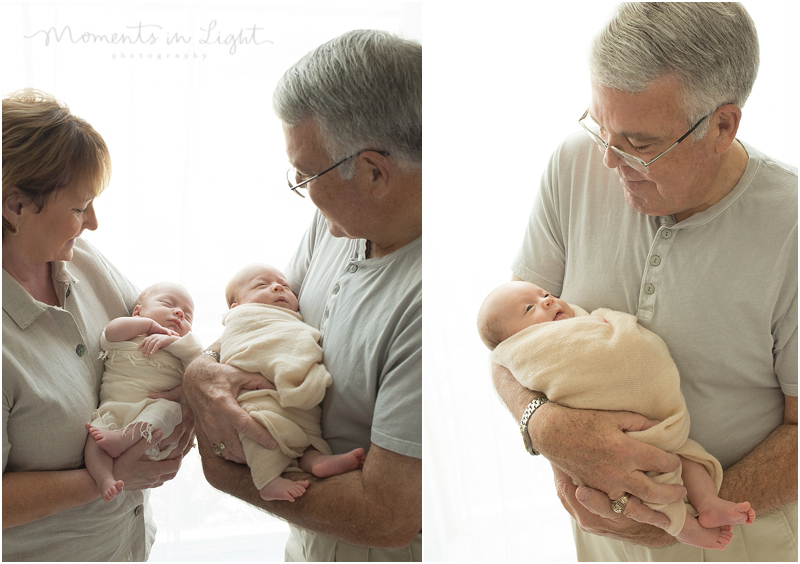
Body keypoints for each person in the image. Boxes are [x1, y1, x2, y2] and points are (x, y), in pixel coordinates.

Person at [491, 3, 797, 561]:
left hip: (735, 535)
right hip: (599, 533)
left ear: (722, 126)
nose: (608, 160)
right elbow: (512, 343)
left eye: (638, 143)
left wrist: (675, 514)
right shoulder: (573, 163)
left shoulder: (791, 228)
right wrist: (545, 427)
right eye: (599, 125)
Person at [183, 29, 422, 561]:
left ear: (374, 172)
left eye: (306, 174)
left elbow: (387, 516)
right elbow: (260, 320)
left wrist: (226, 473)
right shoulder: (339, 222)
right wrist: (201, 371)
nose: (303, 189)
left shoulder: (426, 302)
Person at [2, 89, 192, 560]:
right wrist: (104, 478)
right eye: (78, 207)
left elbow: (159, 336)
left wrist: (188, 393)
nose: (94, 222)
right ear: (15, 206)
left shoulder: (79, 258)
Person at [478, 280, 755, 550]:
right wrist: (546, 427)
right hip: (609, 438)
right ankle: (682, 526)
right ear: (515, 340)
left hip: (654, 422)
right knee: (650, 482)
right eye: (529, 309)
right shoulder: (531, 350)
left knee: (684, 456)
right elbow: (508, 367)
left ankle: (708, 503)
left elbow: (607, 339)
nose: (547, 300)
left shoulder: (580, 321)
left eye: (545, 294)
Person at [220, 263, 366, 502]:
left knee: (309, 435)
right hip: (259, 396)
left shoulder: (291, 320)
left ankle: (317, 461)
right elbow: (248, 349)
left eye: (286, 286)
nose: (279, 287)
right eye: (261, 285)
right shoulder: (243, 319)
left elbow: (293, 338)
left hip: (298, 405)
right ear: (236, 307)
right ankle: (266, 480)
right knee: (261, 429)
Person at [84, 282, 203, 502]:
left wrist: (171, 341)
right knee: (94, 441)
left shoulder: (180, 350)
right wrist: (147, 326)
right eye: (168, 304)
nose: (178, 313)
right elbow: (109, 333)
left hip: (154, 416)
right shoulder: (126, 337)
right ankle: (104, 479)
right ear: (137, 311)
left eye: (187, 316)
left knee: (170, 409)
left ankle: (123, 438)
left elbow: (200, 362)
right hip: (114, 409)